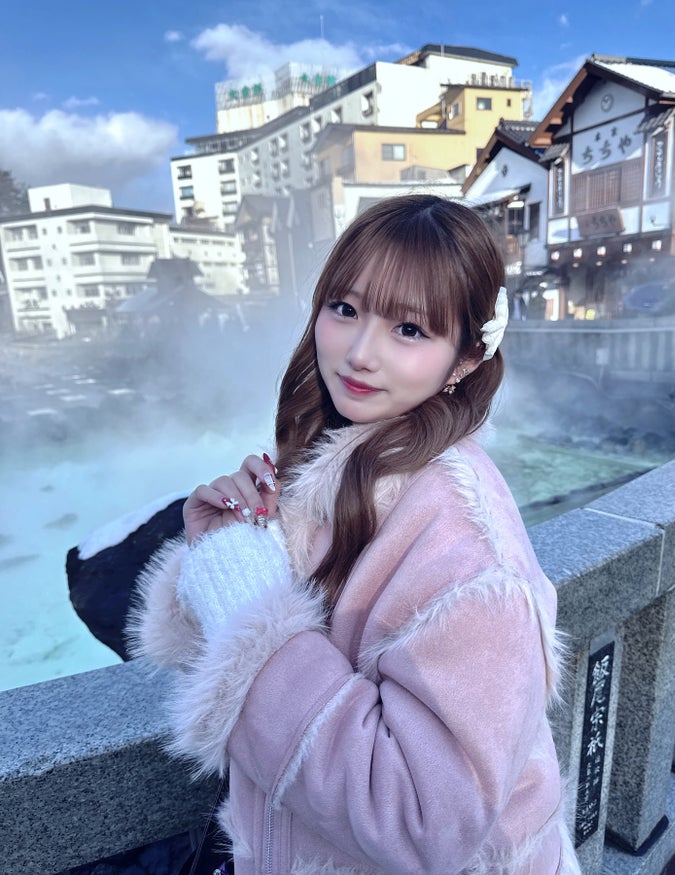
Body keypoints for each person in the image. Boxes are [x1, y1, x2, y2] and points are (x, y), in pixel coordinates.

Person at [129, 194, 580, 875]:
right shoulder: (340, 468)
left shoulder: (472, 555)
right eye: (344, 309)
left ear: (465, 358)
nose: (360, 353)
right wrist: (224, 551)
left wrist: (251, 608)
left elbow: (423, 822)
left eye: (410, 329)